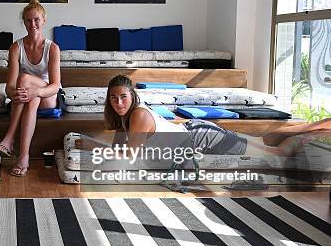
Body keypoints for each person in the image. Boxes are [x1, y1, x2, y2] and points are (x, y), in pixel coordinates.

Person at [76, 74, 331, 160]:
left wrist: (90, 145)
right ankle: (314, 129)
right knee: (265, 142)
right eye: (113, 98)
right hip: (194, 131)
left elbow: (129, 156)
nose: (118, 102)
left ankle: (315, 131)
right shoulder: (126, 119)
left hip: (202, 138)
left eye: (123, 97)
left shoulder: (139, 116)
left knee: (272, 153)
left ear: (132, 96)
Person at [0, 0, 61, 177]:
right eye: (28, 20)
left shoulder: (52, 48)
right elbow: (9, 86)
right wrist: (12, 93)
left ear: (44, 20)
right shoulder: (16, 47)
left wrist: (35, 91)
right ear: (24, 22)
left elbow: (54, 86)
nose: (33, 24)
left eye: (36, 20)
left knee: (25, 80)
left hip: (48, 96)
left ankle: (9, 138)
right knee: (30, 99)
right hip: (27, 97)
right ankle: (23, 157)